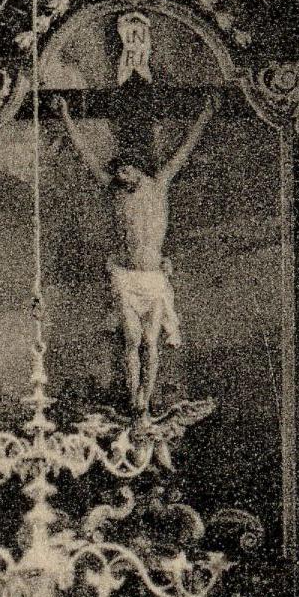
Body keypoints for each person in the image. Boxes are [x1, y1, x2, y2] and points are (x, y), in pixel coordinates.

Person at [56, 95, 216, 409]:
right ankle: (134, 401)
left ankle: (145, 398)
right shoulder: (113, 190)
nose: (120, 176)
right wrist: (65, 116)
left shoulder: (159, 184)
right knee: (131, 339)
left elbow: (185, 149)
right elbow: (86, 154)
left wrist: (205, 116)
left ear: (137, 168)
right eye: (117, 172)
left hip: (153, 277)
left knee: (151, 342)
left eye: (125, 171)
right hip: (126, 277)